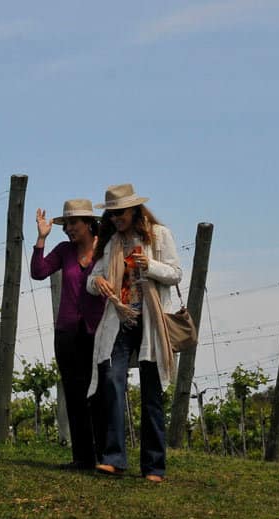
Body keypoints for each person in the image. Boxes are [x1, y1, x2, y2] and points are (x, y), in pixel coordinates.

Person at [85, 184, 182, 483]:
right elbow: (93, 277)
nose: (116, 219)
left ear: (134, 210)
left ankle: (154, 466)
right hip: (122, 318)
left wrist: (149, 265)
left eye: (120, 213)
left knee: (152, 391)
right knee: (112, 381)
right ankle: (114, 458)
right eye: (112, 214)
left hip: (151, 320)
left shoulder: (158, 235)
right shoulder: (112, 243)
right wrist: (98, 283)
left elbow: (175, 273)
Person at [30, 198, 105, 471]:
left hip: (98, 332)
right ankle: (82, 458)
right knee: (74, 394)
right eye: (67, 224)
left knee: (99, 393)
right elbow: (38, 272)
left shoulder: (105, 250)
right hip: (68, 333)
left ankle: (106, 456)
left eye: (75, 223)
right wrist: (41, 238)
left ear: (89, 223)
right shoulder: (64, 251)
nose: (70, 228)